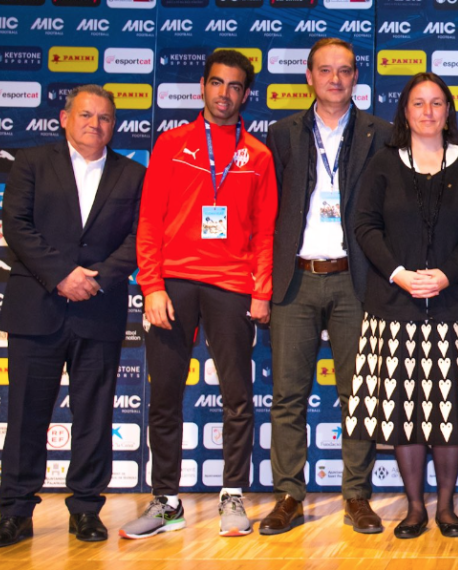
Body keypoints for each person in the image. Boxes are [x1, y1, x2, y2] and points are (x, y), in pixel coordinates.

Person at [121, 49, 277, 539]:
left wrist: (261, 291)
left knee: (237, 396)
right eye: (217, 83)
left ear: (245, 94)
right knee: (165, 396)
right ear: (202, 88)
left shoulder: (259, 156)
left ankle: (233, 495)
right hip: (174, 283)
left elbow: (265, 232)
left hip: (232, 286)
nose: (225, 94)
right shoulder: (171, 145)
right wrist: (151, 286)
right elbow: (148, 222)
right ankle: (166, 501)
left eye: (235, 86)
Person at [0, 85, 144, 548]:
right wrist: (61, 276)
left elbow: (140, 237)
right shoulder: (32, 163)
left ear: (114, 126)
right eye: (86, 115)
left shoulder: (133, 174)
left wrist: (95, 278)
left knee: (94, 416)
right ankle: (15, 513)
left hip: (100, 308)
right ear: (64, 117)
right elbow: (16, 224)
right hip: (37, 307)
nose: (95, 125)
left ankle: (85, 509)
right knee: (25, 416)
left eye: (105, 118)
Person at [351, 72, 458, 539]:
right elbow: (366, 227)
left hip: (456, 306)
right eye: (419, 103)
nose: (429, 111)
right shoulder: (383, 163)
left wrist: (446, 274)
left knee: (450, 412)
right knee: (405, 413)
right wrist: (400, 273)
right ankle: (415, 507)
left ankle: (448, 507)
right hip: (395, 305)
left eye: (437, 103)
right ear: (406, 112)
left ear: (448, 111)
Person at [261, 38, 392, 536]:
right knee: (288, 396)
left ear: (356, 77)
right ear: (309, 77)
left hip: (354, 282)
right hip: (295, 278)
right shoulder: (283, 134)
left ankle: (357, 496)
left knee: (356, 395)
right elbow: (268, 209)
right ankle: (288, 495)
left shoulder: (380, 134)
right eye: (325, 71)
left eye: (345, 71)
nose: (336, 79)